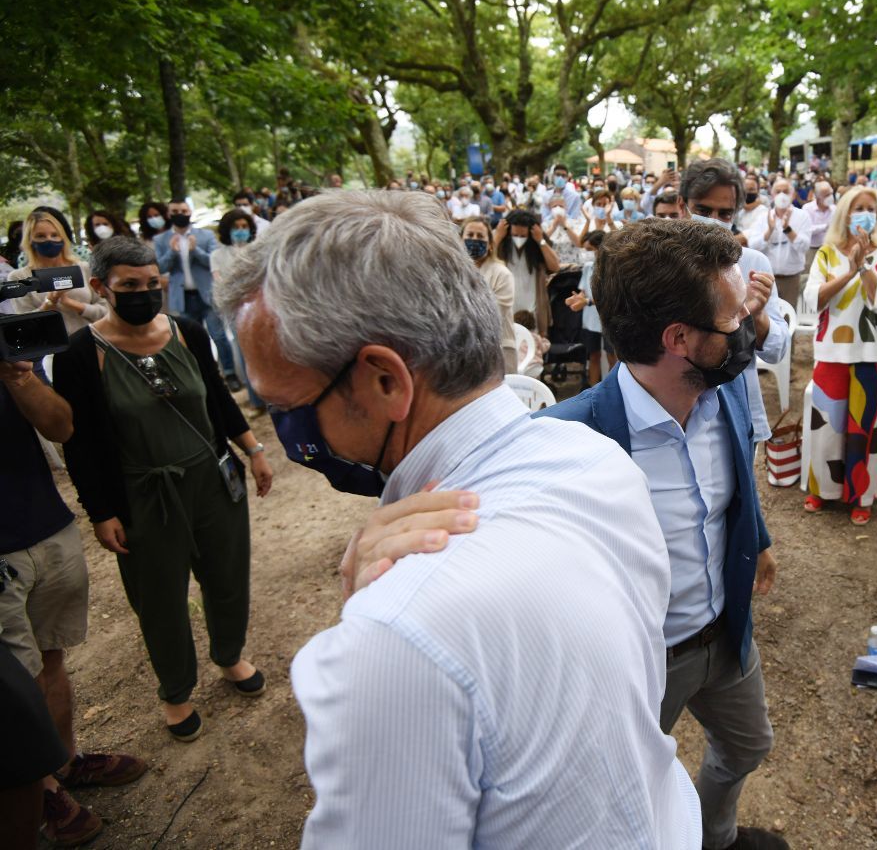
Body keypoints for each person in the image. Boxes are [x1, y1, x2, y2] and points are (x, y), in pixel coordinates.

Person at [217, 190, 700, 847]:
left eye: (286, 403)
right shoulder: (599, 462)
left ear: (386, 380)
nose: (285, 431)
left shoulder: (396, 632)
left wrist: (378, 611)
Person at [537, 217, 785, 850]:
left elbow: (736, 477)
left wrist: (756, 537)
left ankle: (714, 836)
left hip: (726, 633)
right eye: (733, 322)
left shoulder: (720, 390)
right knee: (628, 796)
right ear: (679, 338)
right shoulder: (567, 441)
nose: (746, 331)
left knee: (750, 744)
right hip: (642, 666)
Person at [53, 237, 273, 740]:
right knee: (159, 598)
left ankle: (230, 655)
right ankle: (175, 691)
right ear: (100, 287)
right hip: (142, 494)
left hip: (212, 479)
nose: (143, 294)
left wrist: (254, 451)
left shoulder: (188, 332)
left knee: (226, 575)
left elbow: (216, 397)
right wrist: (100, 510)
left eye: (152, 284)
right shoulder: (80, 355)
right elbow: (80, 443)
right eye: (129, 285)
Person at [1, 350, 149, 846]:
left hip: (45, 526)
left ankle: (64, 763)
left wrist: (17, 377)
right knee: (13, 687)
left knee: (52, 656)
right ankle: (40, 792)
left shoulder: (10, 357)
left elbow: (62, 427)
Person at [802, 186, 877, 525]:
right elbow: (812, 298)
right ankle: (822, 489)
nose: (865, 213)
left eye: (870, 208)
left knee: (867, 428)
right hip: (831, 352)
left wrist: (865, 267)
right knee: (826, 428)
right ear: (845, 213)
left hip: (872, 355)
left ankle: (862, 495)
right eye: (858, 207)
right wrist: (849, 270)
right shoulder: (827, 253)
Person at [678, 159, 786, 446]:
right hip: (674, 413)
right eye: (703, 210)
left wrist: (756, 315)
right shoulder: (662, 265)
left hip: (736, 411)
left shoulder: (752, 263)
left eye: (724, 213)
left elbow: (777, 350)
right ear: (682, 206)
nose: (713, 219)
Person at [154, 198, 241, 391]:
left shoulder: (205, 235)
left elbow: (213, 260)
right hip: (182, 297)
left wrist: (195, 250)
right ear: (169, 214)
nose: (180, 214)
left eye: (184, 210)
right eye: (175, 210)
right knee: (191, 340)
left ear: (190, 212)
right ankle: (205, 375)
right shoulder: (161, 240)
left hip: (206, 294)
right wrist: (172, 251)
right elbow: (159, 267)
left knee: (219, 336)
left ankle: (229, 372)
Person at [6, 208, 107, 335]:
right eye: (40, 236)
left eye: (54, 235)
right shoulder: (19, 277)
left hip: (91, 341)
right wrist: (49, 303)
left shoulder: (85, 268)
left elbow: (106, 311)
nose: (49, 240)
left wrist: (71, 304)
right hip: (50, 350)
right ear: (30, 240)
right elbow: (25, 325)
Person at [211, 209, 267, 413]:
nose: (241, 230)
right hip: (237, 310)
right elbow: (221, 283)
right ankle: (257, 400)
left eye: (244, 227)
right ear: (227, 229)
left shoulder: (258, 249)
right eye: (236, 227)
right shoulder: (218, 255)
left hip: (262, 305)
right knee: (245, 353)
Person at [462, 217, 518, 373]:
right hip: (461, 351)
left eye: (480, 236)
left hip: (497, 349)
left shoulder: (502, 274)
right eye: (470, 235)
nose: (474, 239)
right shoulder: (454, 272)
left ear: (490, 244)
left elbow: (493, 315)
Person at [495, 209, 560, 334]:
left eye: (523, 236)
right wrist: (498, 236)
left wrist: (540, 240)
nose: (519, 239)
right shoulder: (501, 244)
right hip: (504, 310)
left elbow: (555, 266)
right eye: (515, 235)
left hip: (533, 312)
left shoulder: (537, 246)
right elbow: (484, 260)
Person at [565, 230, 617, 384]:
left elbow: (609, 296)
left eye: (589, 250)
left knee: (612, 358)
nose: (586, 254)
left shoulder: (612, 267)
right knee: (593, 356)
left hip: (608, 320)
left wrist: (586, 301)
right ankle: (593, 391)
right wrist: (575, 299)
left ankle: (613, 392)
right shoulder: (588, 267)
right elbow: (583, 292)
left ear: (600, 248)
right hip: (590, 321)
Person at [749, 178, 809, 308]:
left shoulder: (802, 216)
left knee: (788, 317)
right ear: (772, 194)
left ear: (792, 195)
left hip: (791, 278)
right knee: (766, 317)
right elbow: (753, 245)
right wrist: (769, 231)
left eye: (786, 191)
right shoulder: (763, 217)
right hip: (766, 278)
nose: (782, 195)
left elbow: (804, 246)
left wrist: (787, 229)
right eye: (778, 191)